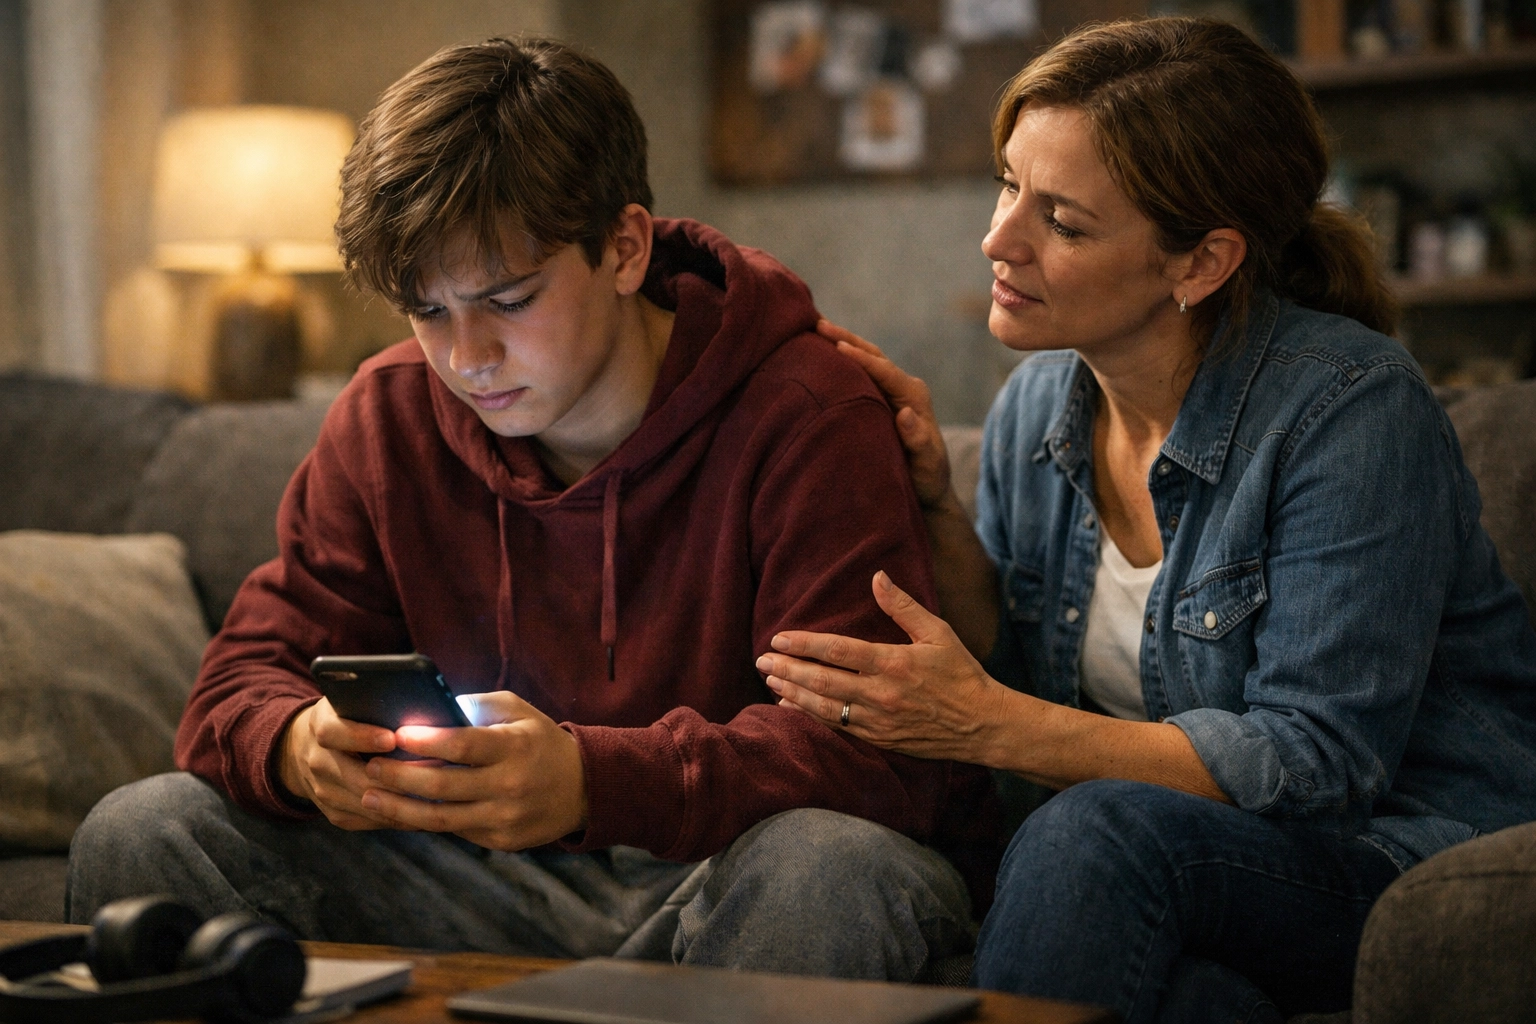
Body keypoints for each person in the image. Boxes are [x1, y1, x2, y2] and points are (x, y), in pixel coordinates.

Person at [66, 37, 990, 980]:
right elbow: (235, 686)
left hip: (721, 872)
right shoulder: (386, 417)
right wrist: (301, 749)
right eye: (427, 312)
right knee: (145, 830)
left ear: (625, 248)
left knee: (834, 868)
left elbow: (883, 758)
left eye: (507, 300)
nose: (466, 357)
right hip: (481, 878)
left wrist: (593, 782)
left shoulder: (807, 413)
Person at [754, 17, 1536, 1022]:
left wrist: (990, 726)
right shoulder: (1039, 407)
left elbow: (1315, 762)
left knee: (1094, 833)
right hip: (1178, 872)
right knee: (1193, 995)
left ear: (1200, 262)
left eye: (1064, 222)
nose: (998, 240)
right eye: (1007, 185)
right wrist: (940, 505)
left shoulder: (1350, 406)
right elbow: (1033, 665)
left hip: (1390, 855)